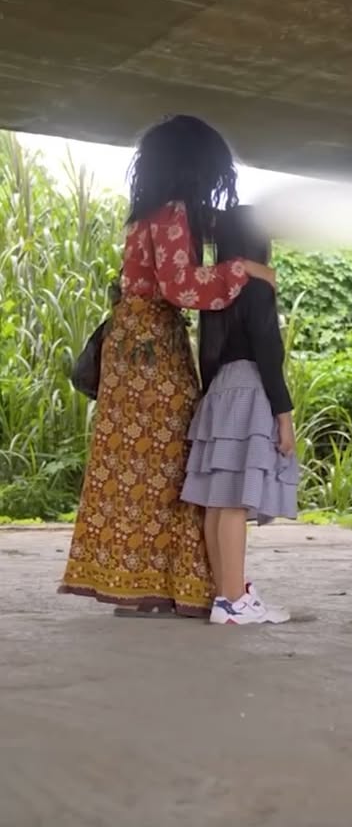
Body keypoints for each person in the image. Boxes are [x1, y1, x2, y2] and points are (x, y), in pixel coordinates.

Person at [59, 115, 275, 617]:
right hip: (152, 347)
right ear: (195, 166)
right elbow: (183, 287)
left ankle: (137, 586)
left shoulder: (147, 214)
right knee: (177, 459)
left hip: (128, 347)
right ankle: (190, 586)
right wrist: (245, 269)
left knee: (134, 465)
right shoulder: (174, 212)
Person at [181, 205, 299, 625]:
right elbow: (269, 354)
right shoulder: (257, 288)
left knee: (218, 500)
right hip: (249, 387)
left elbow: (207, 356)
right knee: (233, 501)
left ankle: (227, 596)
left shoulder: (215, 292)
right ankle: (233, 601)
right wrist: (284, 415)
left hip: (219, 390)